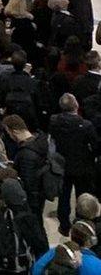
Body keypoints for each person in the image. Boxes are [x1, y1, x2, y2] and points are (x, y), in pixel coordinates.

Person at [51, 93, 98, 235]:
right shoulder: (86, 125)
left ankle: (64, 226)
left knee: (63, 196)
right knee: (82, 196)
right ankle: (82, 225)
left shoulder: (54, 121)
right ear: (76, 105)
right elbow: (95, 146)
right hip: (82, 166)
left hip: (61, 165)